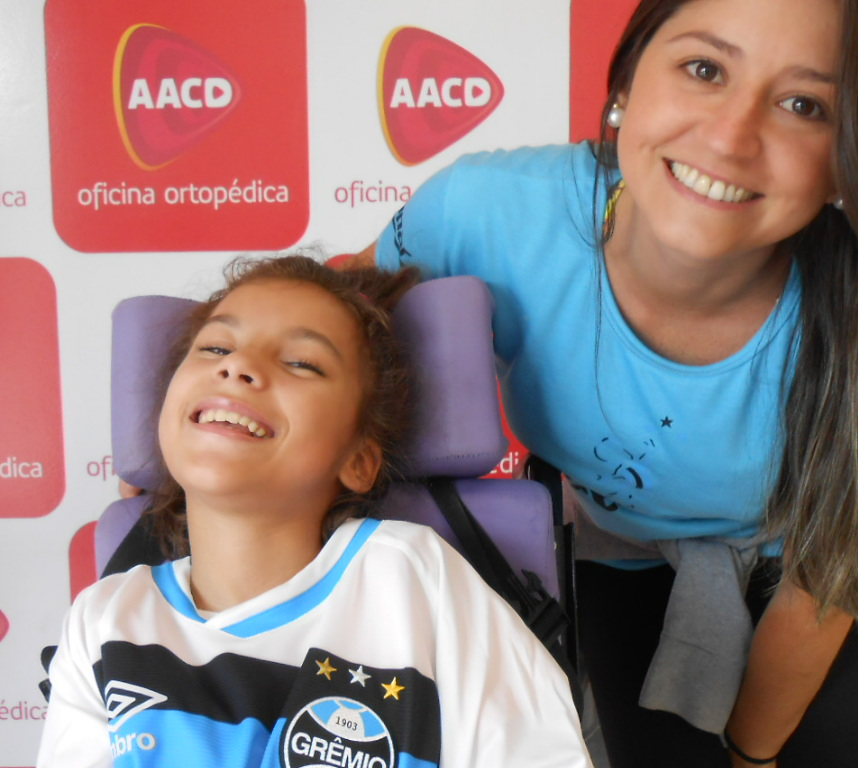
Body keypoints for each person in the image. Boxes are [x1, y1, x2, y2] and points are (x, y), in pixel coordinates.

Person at [351, 0, 858, 766]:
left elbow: (824, 586)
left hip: (827, 577)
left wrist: (749, 753)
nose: (730, 139)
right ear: (630, 75)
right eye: (704, 69)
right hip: (624, 549)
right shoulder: (485, 213)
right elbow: (322, 336)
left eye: (805, 105)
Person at [37, 255, 593, 768]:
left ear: (358, 460)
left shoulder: (417, 581)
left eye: (302, 363)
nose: (238, 367)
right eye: (213, 348)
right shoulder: (105, 620)